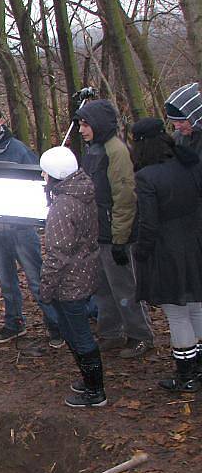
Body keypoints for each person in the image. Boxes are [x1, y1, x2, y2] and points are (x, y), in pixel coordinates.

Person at [0, 100, 62, 350]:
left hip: (20, 228)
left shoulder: (18, 150)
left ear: (0, 122)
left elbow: (38, 183)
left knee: (36, 279)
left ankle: (56, 325)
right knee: (7, 281)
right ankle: (14, 321)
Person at [75, 99, 154, 358]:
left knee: (125, 287)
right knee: (103, 287)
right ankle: (111, 332)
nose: (81, 129)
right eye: (80, 124)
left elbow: (124, 197)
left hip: (116, 233)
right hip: (98, 232)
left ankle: (140, 335)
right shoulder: (94, 149)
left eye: (85, 124)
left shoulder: (116, 151)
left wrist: (120, 239)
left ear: (98, 124)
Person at [131, 118, 202, 393]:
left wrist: (142, 251)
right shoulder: (189, 163)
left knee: (177, 314)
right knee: (196, 308)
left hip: (168, 251)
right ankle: (198, 368)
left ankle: (186, 375)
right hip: (195, 245)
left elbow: (148, 222)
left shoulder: (147, 176)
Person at [39, 147, 106, 407]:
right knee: (74, 330)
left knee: (78, 334)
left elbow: (56, 256)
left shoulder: (62, 207)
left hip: (70, 281)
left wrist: (46, 288)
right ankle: (88, 380)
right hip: (85, 271)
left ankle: (95, 390)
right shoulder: (82, 191)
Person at [165, 82, 202, 156]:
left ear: (196, 117)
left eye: (181, 121)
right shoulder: (177, 139)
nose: (176, 127)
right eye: (173, 121)